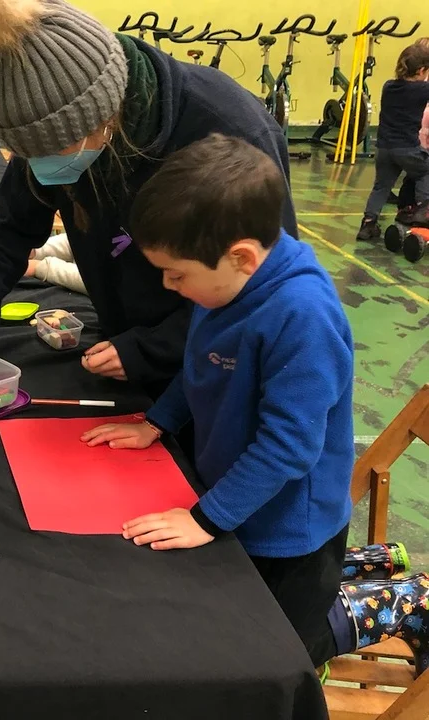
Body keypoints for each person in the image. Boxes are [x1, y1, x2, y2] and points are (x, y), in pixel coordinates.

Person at [81, 134, 429, 674]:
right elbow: (202, 364)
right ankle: (368, 564)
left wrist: (207, 518)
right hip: (241, 499)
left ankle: (402, 603)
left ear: (241, 257)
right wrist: (158, 421)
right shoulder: (227, 286)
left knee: (278, 654)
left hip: (290, 530)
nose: (169, 286)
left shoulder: (302, 316)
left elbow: (289, 447)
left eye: (178, 274)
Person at [0, 0, 297, 398]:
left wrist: (154, 349)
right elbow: (12, 227)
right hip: (125, 345)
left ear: (104, 117)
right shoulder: (55, 124)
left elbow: (260, 286)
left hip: (213, 365)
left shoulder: (232, 132)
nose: (39, 166)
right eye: (27, 154)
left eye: (52, 151)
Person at [357, 43, 429, 242]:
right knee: (425, 171)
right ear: (421, 70)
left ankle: (368, 224)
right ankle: (423, 211)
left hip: (384, 148)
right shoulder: (423, 89)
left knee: (381, 187)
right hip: (407, 149)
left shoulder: (388, 86)